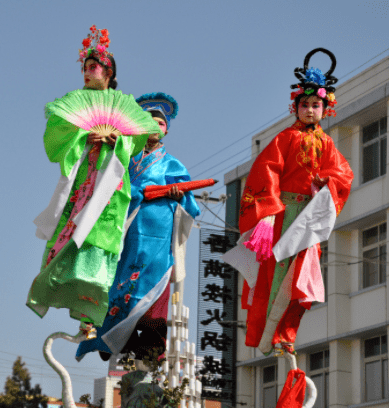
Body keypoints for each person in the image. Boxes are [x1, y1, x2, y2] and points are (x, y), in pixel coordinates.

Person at [28, 26, 162, 331]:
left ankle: (91, 313)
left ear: (108, 71)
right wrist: (85, 135)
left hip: (110, 184)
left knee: (101, 239)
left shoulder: (124, 105)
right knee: (73, 231)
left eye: (93, 67)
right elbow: (58, 137)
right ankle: (62, 293)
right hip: (83, 177)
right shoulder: (76, 100)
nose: (87, 73)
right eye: (85, 68)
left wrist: (117, 139)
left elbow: (141, 136)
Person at [227, 48, 353, 355]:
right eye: (305, 104)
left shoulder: (327, 143)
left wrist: (327, 183)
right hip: (282, 212)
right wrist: (269, 209)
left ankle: (286, 334)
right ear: (295, 107)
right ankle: (267, 333)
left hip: (308, 215)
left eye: (316, 105)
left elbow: (343, 175)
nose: (310, 110)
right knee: (275, 272)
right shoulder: (284, 139)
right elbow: (265, 170)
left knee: (302, 276)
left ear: (326, 109)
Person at [76, 93, 200, 361]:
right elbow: (106, 183)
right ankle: (116, 338)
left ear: (166, 130)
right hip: (128, 228)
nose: (154, 127)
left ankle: (154, 344)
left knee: (156, 284)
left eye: (160, 123)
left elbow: (190, 202)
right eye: (148, 121)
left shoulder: (172, 164)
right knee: (120, 281)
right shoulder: (125, 156)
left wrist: (179, 195)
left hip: (160, 231)